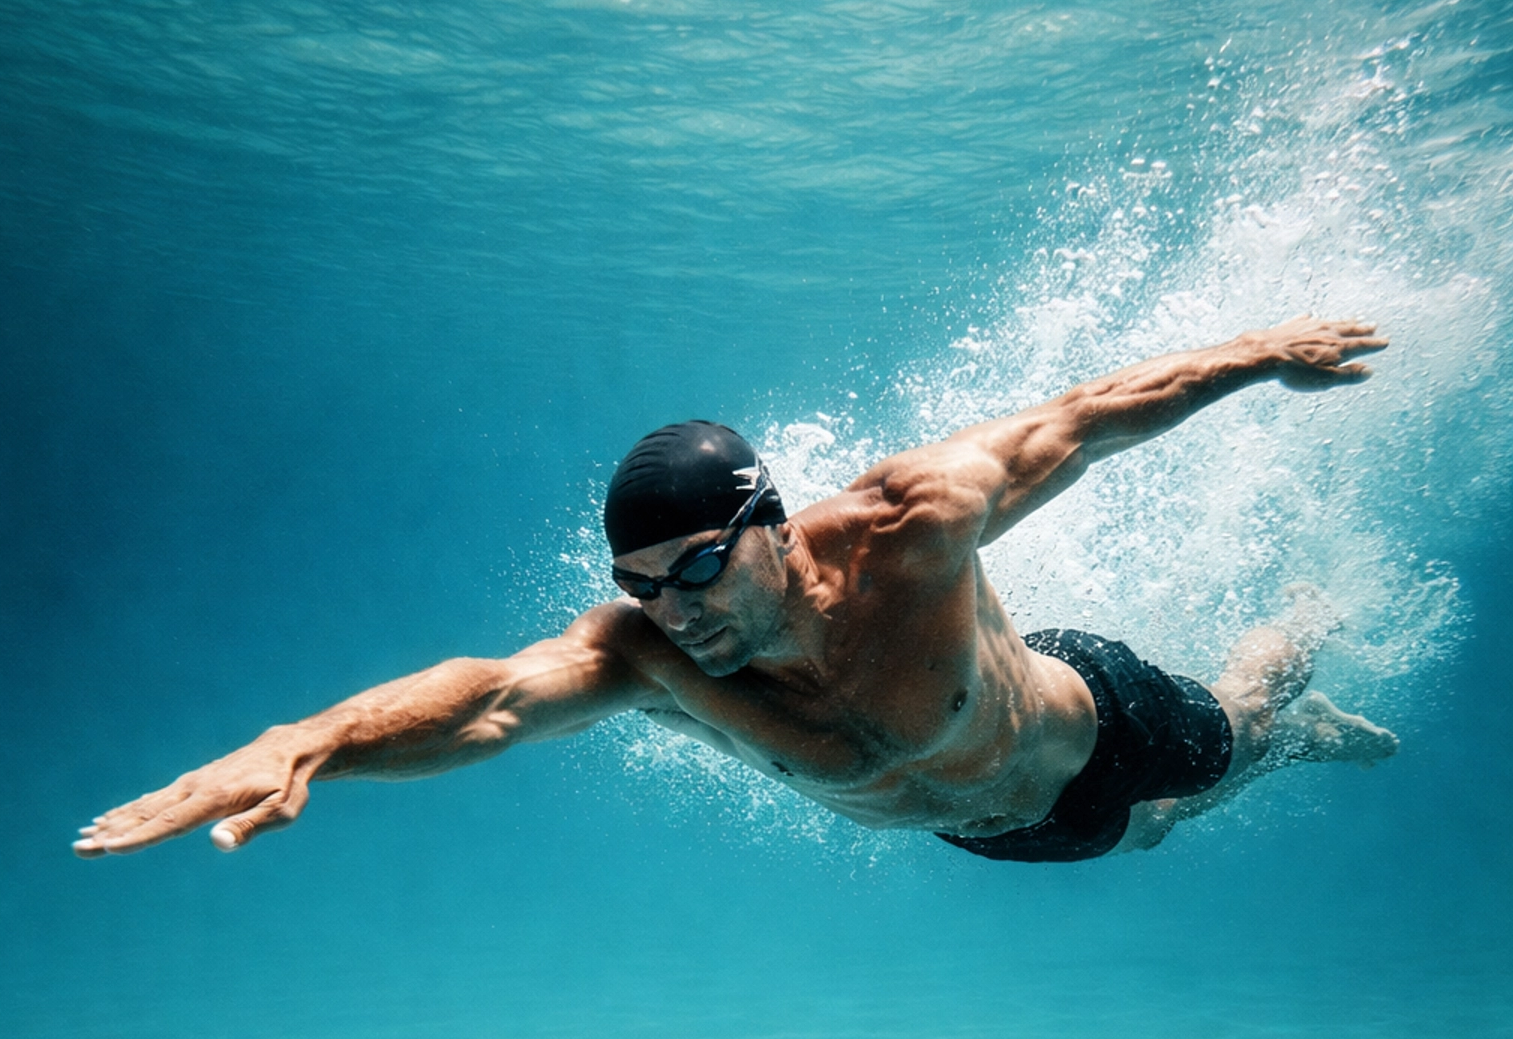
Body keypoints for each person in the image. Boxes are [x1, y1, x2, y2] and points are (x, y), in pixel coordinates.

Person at [73, 315, 1397, 869]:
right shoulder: (649, 656)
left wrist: (1254, 357)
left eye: (700, 565)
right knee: (1153, 838)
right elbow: (489, 701)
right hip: (1002, 833)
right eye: (642, 586)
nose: (677, 609)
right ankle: (1278, 743)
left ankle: (1296, 656)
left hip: (1095, 725)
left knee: (1232, 735)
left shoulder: (909, 527)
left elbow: (1086, 420)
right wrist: (312, 741)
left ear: (770, 528)